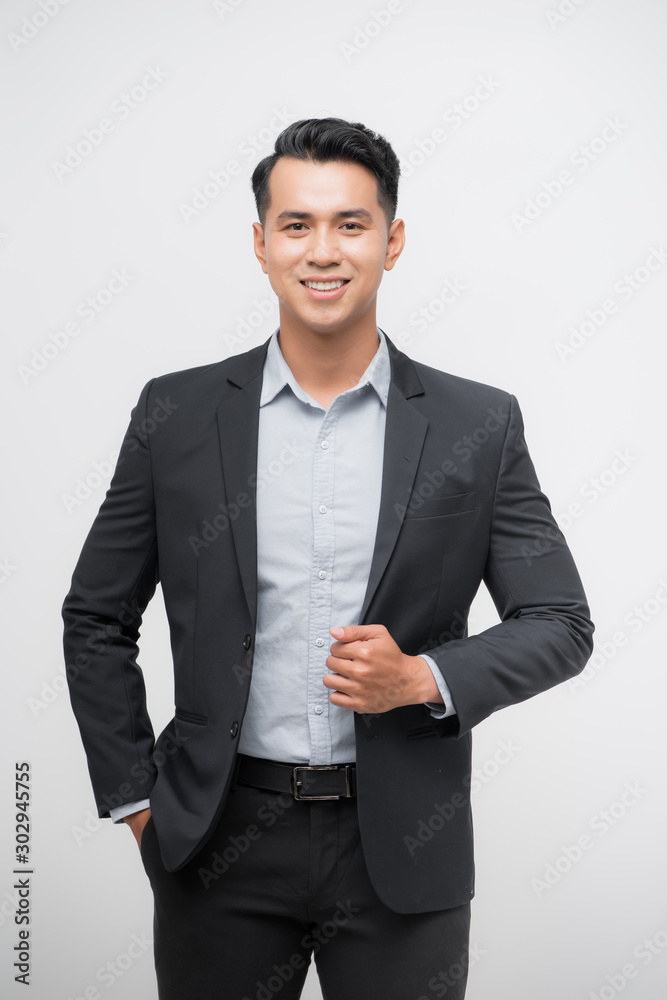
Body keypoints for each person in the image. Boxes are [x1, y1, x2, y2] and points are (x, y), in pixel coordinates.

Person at [63, 117, 594, 1000]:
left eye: (350, 224)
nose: (323, 251)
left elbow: (560, 623)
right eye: (297, 225)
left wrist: (423, 678)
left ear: (392, 242)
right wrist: (139, 806)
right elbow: (96, 617)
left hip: (403, 850)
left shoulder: (477, 424)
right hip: (215, 843)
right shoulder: (176, 414)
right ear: (262, 244)